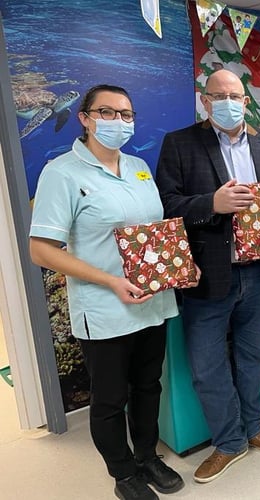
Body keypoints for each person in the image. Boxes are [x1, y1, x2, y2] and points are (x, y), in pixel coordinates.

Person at [155, 69, 260, 484]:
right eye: (218, 95)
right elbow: (167, 205)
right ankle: (228, 442)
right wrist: (213, 202)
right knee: (207, 366)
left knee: (254, 356)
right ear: (205, 102)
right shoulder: (180, 144)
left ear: (246, 101)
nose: (228, 101)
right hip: (208, 277)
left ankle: (253, 426)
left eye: (235, 95)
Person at [29, 85, 185, 500]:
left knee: (149, 385)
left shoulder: (137, 167)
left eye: (127, 113)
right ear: (84, 118)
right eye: (108, 112)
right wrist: (112, 281)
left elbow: (153, 230)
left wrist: (179, 265)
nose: (119, 121)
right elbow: (41, 250)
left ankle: (147, 456)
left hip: (152, 301)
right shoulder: (61, 173)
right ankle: (123, 473)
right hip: (103, 308)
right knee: (111, 398)